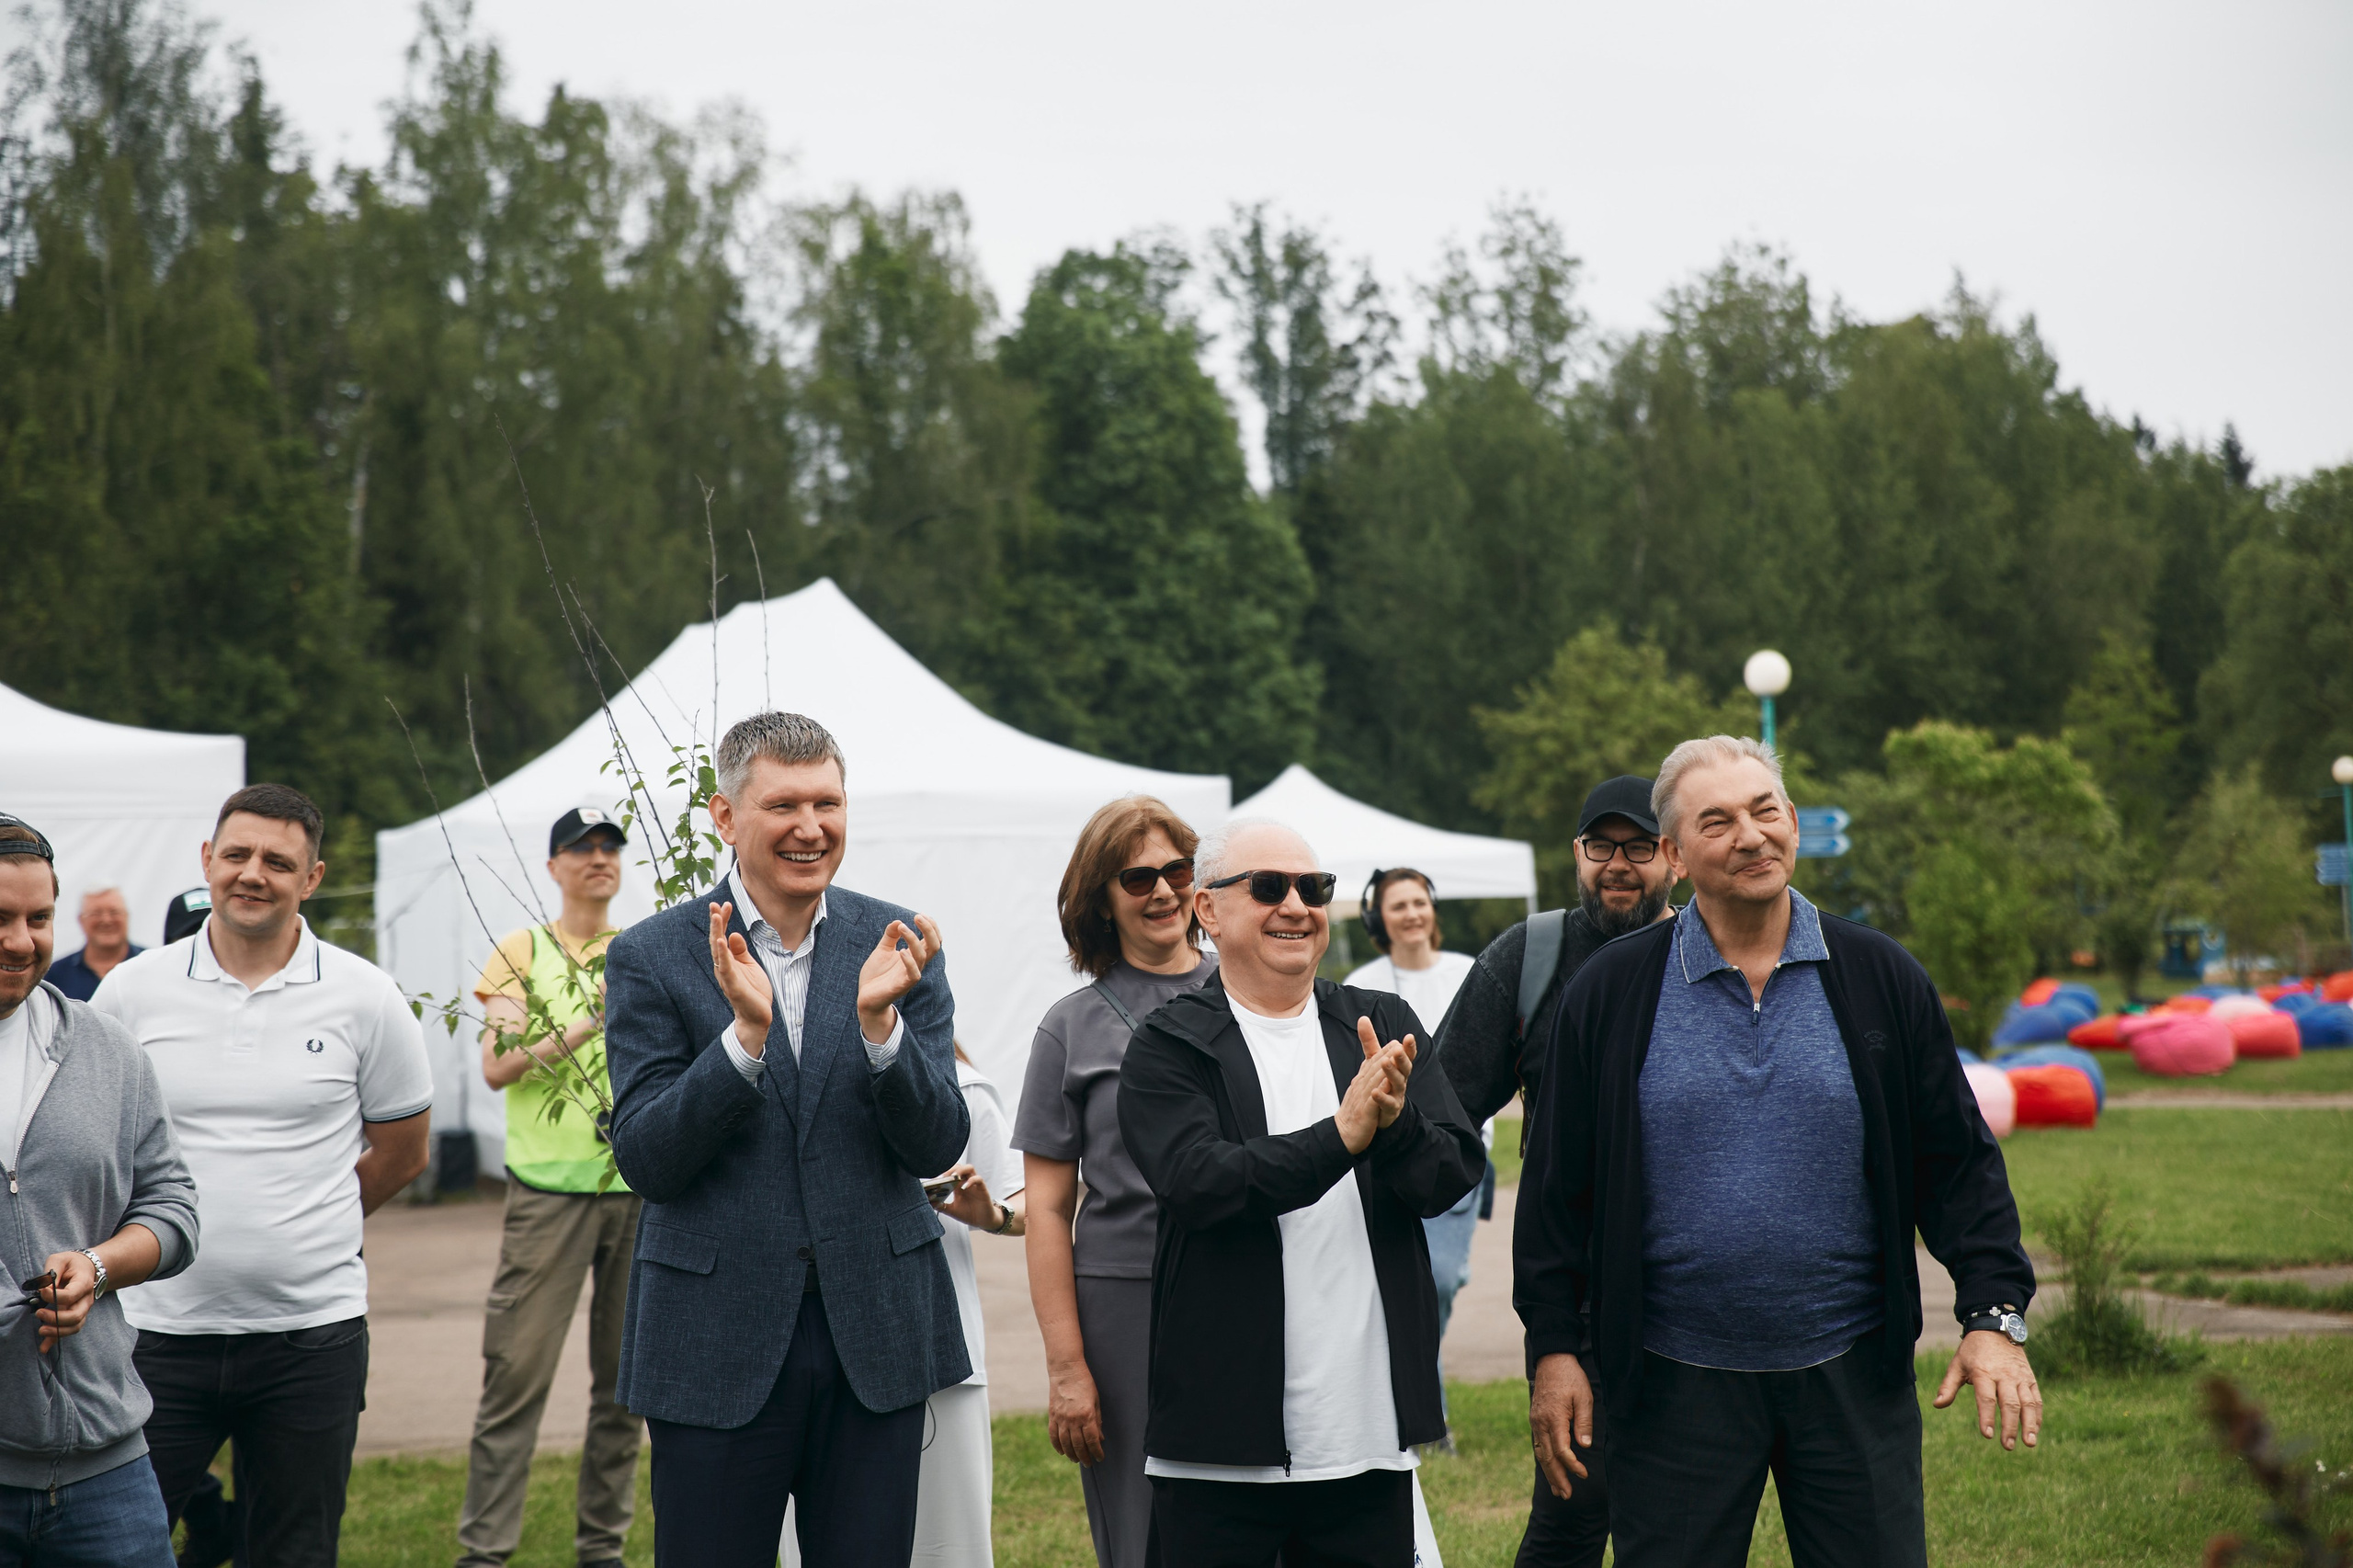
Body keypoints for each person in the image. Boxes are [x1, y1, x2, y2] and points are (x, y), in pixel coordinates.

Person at [1520, 738, 2042, 1568]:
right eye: (1717, 821)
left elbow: (1956, 1162)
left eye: (1766, 811)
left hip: (1852, 1375)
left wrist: (1992, 1313)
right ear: (1676, 855)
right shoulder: (1611, 993)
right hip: (1667, 1382)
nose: (1751, 836)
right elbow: (1556, 1194)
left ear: (1794, 823)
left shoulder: (1881, 977)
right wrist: (1555, 1349)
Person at [600, 710, 969, 1568]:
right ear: (727, 819)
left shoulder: (899, 943)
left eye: (828, 803)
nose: (811, 828)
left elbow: (938, 1143)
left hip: (873, 1331)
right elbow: (648, 1157)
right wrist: (743, 1044)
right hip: (714, 1333)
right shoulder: (654, 956)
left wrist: (881, 1029)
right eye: (784, 806)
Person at [1118, 817, 1484, 1567]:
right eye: (1269, 887)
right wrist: (1342, 1136)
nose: (1297, 905)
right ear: (1208, 911)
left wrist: (1397, 1126)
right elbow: (1200, 1183)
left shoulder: (1380, 1021)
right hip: (1219, 1448)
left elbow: (1450, 1171)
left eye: (1313, 888)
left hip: (1366, 1438)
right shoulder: (1170, 1043)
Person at [92, 783, 436, 1568]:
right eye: (238, 855)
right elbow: (93, 1144)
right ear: (207, 860)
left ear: (310, 879)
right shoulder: (131, 993)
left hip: (310, 1339)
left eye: (278, 862)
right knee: (115, 1546)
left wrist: (307, 1228)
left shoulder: (367, 997)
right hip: (154, 1334)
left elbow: (403, 1152)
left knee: (294, 1554)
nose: (254, 874)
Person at [1432, 774, 1676, 1566]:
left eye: (1638, 846)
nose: (1618, 864)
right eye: (1601, 846)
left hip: (1700, 1290)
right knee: (1572, 1516)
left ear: (1670, 854)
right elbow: (1442, 1110)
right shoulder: (1531, 957)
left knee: (1682, 1523)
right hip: (1580, 1296)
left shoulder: (1707, 954)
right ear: (1576, 853)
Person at [1014, 796, 1215, 1568]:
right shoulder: (1069, 1028)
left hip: (1247, 1281)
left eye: (1176, 870)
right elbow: (1046, 1210)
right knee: (1140, 1531)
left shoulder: (1253, 992)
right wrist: (1067, 1367)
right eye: (1137, 877)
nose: (1162, 891)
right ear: (1101, 896)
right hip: (1122, 1301)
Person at [0, 815, 198, 1568]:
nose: (21, 940)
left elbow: (173, 1207)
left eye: (38, 918)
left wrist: (100, 1265)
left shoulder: (105, 1048)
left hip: (105, 1472)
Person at [452, 807, 642, 1568]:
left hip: (636, 1189)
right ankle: (485, 1553)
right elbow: (499, 1063)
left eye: (610, 848)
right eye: (582, 848)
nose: (599, 858)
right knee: (516, 1384)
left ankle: (603, 1550)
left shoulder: (639, 952)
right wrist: (591, 1024)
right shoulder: (522, 950)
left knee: (626, 1392)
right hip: (547, 1195)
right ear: (554, 865)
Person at [782, 1043, 1027, 1568]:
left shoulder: (959, 1084)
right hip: (813, 1348)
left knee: (947, 1547)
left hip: (937, 1352)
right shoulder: (785, 1077)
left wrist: (994, 1215)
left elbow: (1030, 1203)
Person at [1345, 868, 1482, 1455]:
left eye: (1418, 902)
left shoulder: (1471, 972)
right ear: (1379, 919)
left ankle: (1415, 1396)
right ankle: (1427, 1419)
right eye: (1397, 905)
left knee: (1442, 1282)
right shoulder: (1363, 984)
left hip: (1452, 1152)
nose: (1411, 914)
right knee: (1404, 1284)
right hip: (1388, 1161)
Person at [43, 887, 142, 1003]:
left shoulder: (150, 965)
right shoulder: (56, 975)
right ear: (81, 920)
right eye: (96, 914)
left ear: (127, 916)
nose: (106, 920)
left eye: (114, 912)